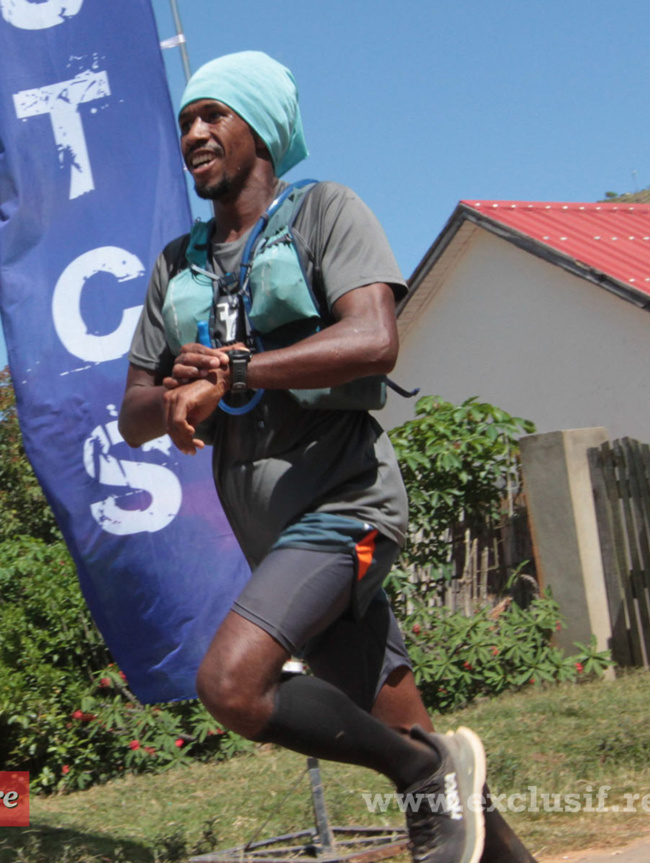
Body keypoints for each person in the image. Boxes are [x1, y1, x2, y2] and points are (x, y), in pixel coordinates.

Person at [119, 52, 535, 863]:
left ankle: (421, 772)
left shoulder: (324, 213)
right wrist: (174, 393)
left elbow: (375, 339)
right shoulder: (177, 265)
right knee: (445, 788)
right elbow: (132, 414)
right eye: (186, 120)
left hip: (349, 510)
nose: (194, 132)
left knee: (231, 686)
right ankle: (441, 781)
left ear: (261, 128)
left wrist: (236, 371)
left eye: (214, 114)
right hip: (277, 542)